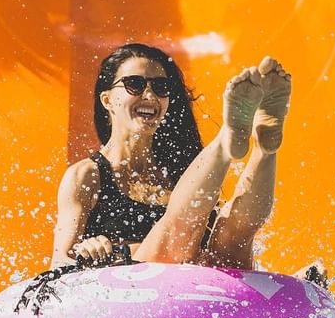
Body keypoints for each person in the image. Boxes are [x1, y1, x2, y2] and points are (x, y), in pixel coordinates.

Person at [51, 43, 291, 270]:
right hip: (132, 293)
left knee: (234, 234)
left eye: (160, 87)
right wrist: (89, 250)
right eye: (134, 84)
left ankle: (265, 147)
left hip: (195, 295)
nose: (150, 95)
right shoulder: (88, 175)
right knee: (179, 225)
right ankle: (226, 139)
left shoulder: (180, 173)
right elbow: (60, 260)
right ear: (108, 100)